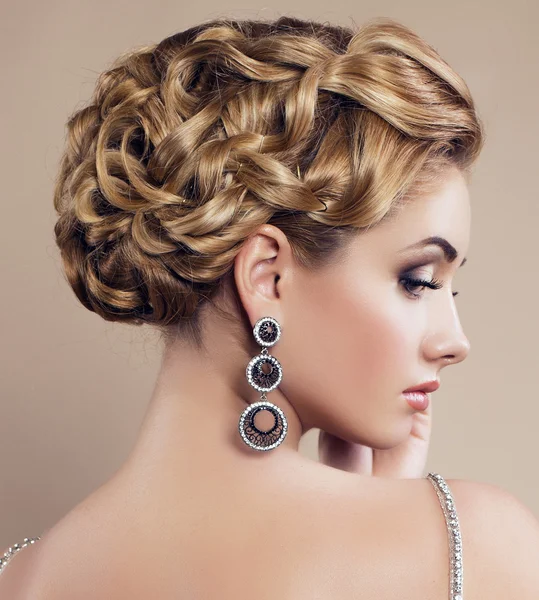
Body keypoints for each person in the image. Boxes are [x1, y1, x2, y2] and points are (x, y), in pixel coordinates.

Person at [1, 14, 538, 599]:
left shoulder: (23, 578)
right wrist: (422, 538)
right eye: (417, 280)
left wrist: (379, 510)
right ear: (267, 275)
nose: (455, 342)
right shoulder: (479, 543)